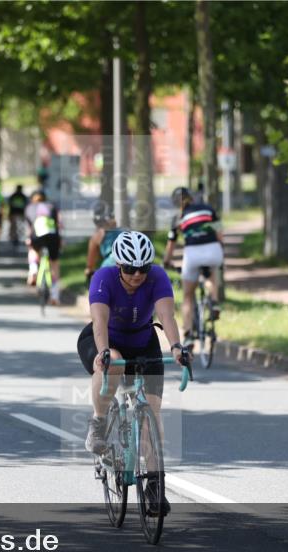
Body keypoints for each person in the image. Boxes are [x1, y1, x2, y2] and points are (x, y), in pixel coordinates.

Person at [77, 231, 188, 516]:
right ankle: (99, 422)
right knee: (113, 361)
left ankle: (154, 488)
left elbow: (166, 316)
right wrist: (103, 352)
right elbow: (99, 322)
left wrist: (176, 347)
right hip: (105, 340)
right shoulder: (103, 279)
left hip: (143, 340)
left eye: (143, 268)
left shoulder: (157, 277)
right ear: (118, 266)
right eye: (130, 268)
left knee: (152, 418)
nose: (137, 274)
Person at [163, 186, 224, 340]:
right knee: (211, 275)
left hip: (192, 253)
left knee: (188, 296)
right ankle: (215, 302)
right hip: (213, 249)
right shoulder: (209, 209)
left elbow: (171, 244)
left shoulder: (178, 218)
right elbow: (220, 234)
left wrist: (167, 261)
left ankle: (188, 334)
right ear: (191, 197)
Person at [24, 190, 62, 303]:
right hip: (52, 236)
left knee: (32, 249)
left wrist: (28, 239)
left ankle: (33, 269)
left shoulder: (30, 208)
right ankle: (55, 295)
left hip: (37, 237)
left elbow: (28, 228)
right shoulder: (52, 206)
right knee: (54, 263)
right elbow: (57, 224)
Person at [84, 199, 121, 285]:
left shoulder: (97, 235)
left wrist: (88, 270)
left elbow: (90, 263)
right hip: (131, 266)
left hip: (110, 265)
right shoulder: (124, 230)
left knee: (99, 290)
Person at [7, 184, 28, 251]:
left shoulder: (13, 196)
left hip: (13, 213)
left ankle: (13, 237)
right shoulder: (23, 196)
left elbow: (9, 205)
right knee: (20, 226)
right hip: (21, 213)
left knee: (13, 226)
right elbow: (26, 206)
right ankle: (17, 236)